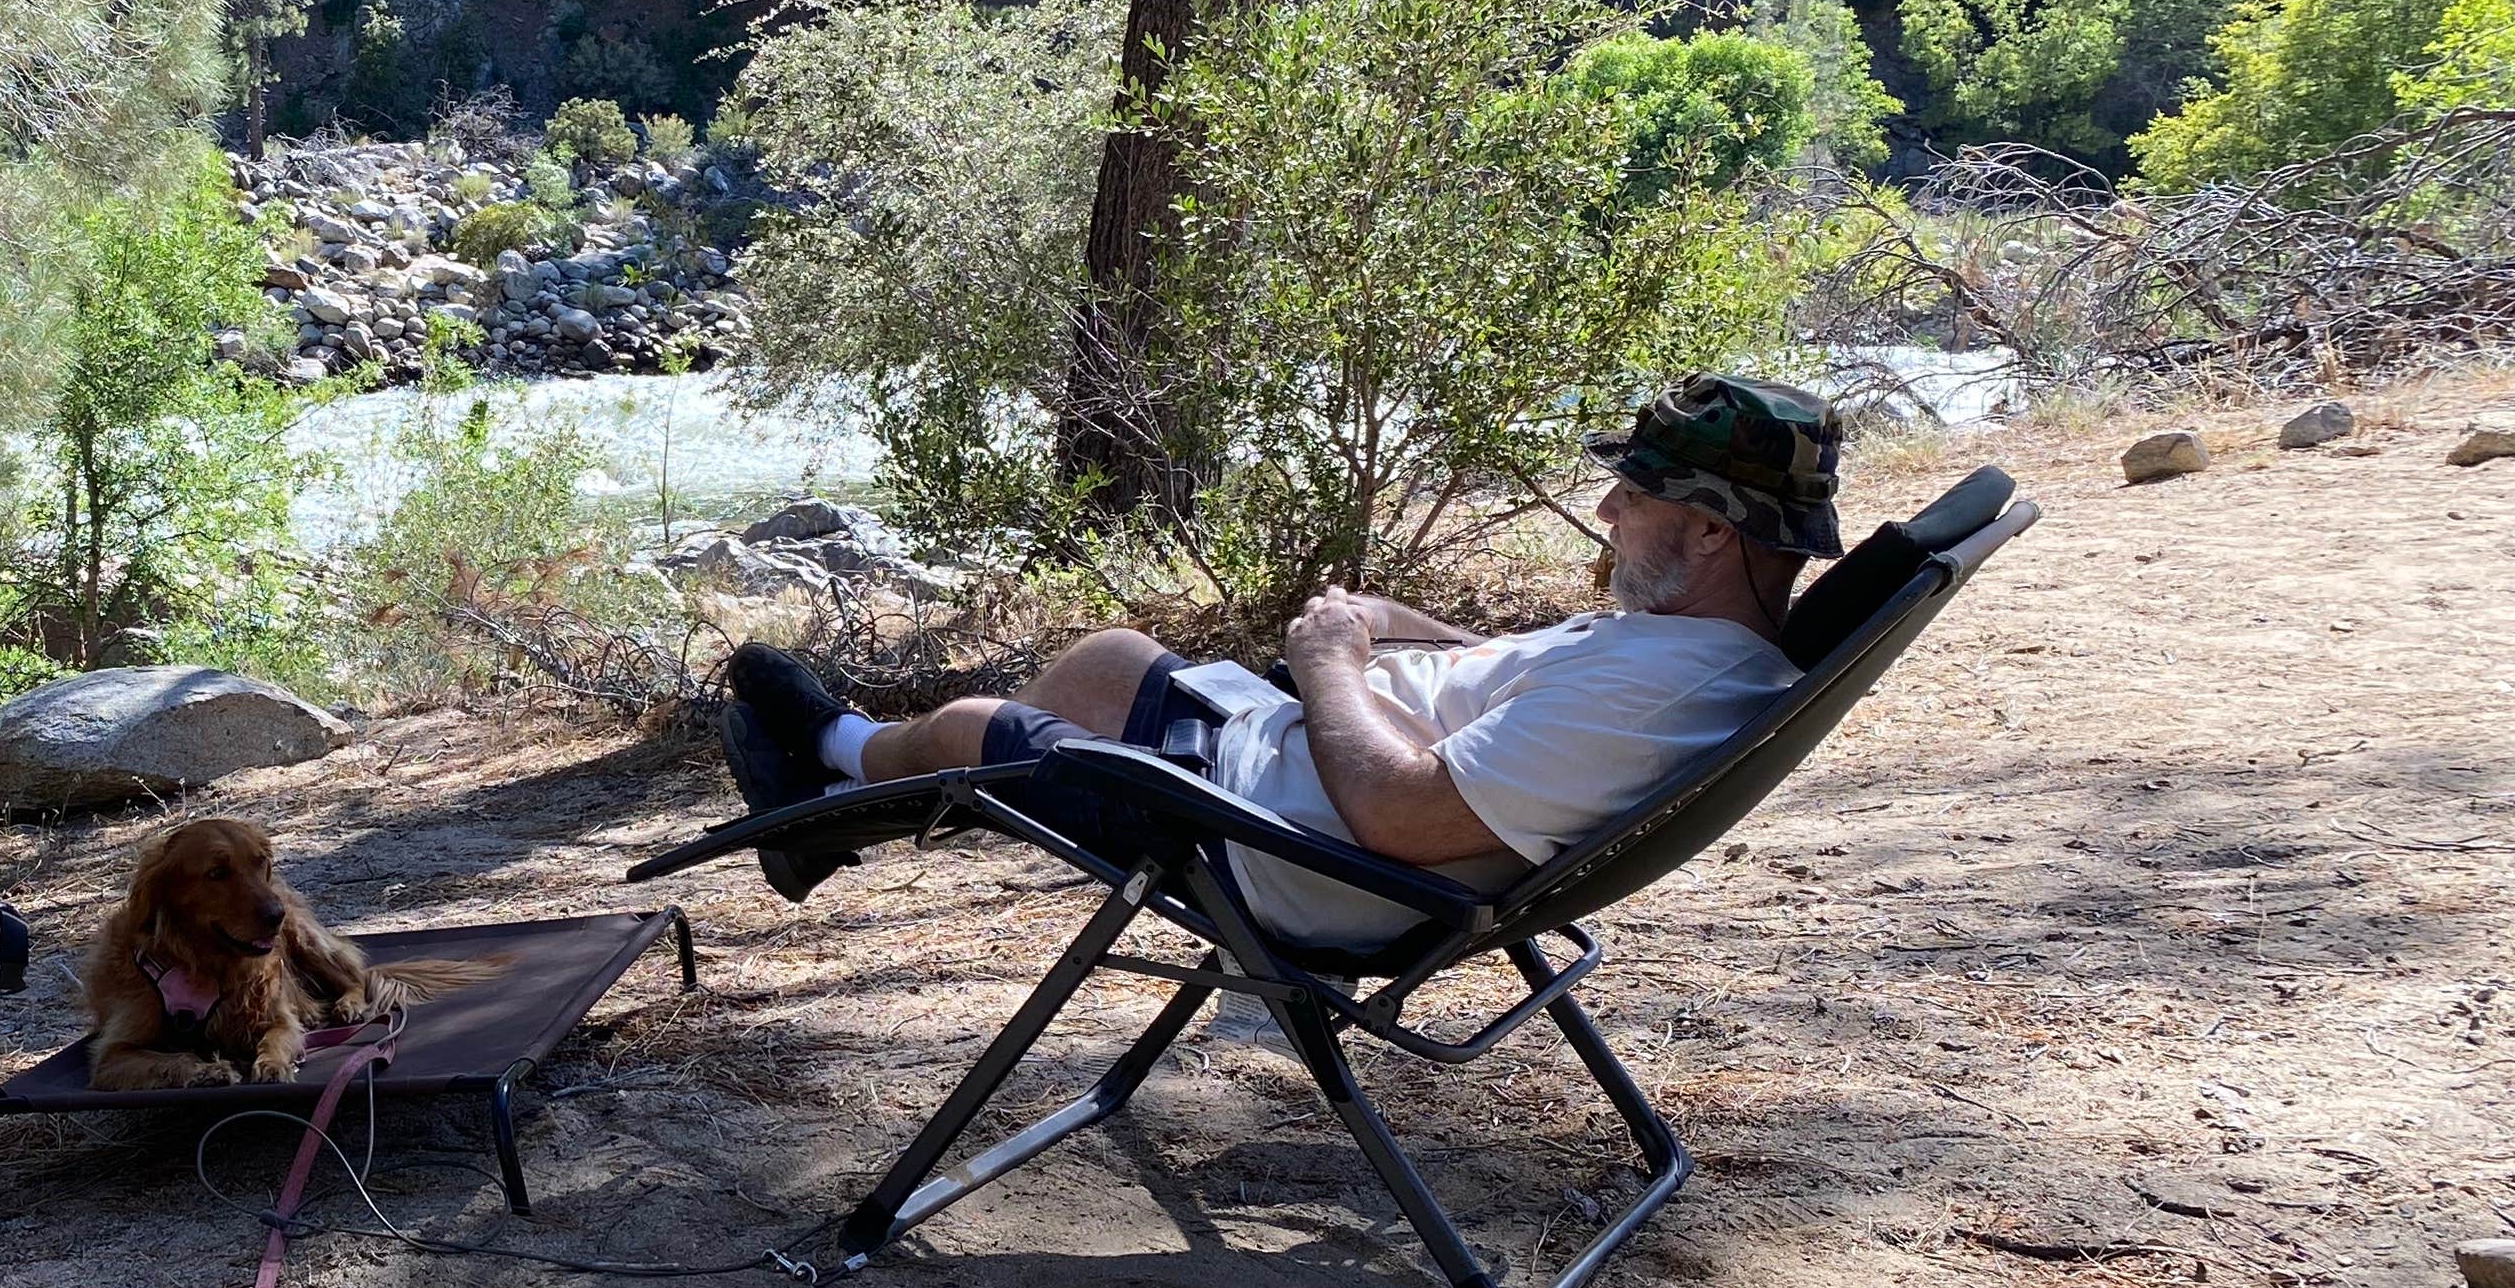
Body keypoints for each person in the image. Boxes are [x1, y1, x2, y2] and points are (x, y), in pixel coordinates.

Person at [719, 372, 1851, 944]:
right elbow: (1511, 683)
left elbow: (1406, 821)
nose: (1606, 508)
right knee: (1107, 665)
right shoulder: (1699, 652)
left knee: (979, 730)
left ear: (1711, 531)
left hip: (1297, 858)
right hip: (1306, 790)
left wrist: (1328, 665)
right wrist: (1392, 632)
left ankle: (827, 759)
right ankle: (837, 798)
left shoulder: (1658, 691)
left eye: (1637, 493)